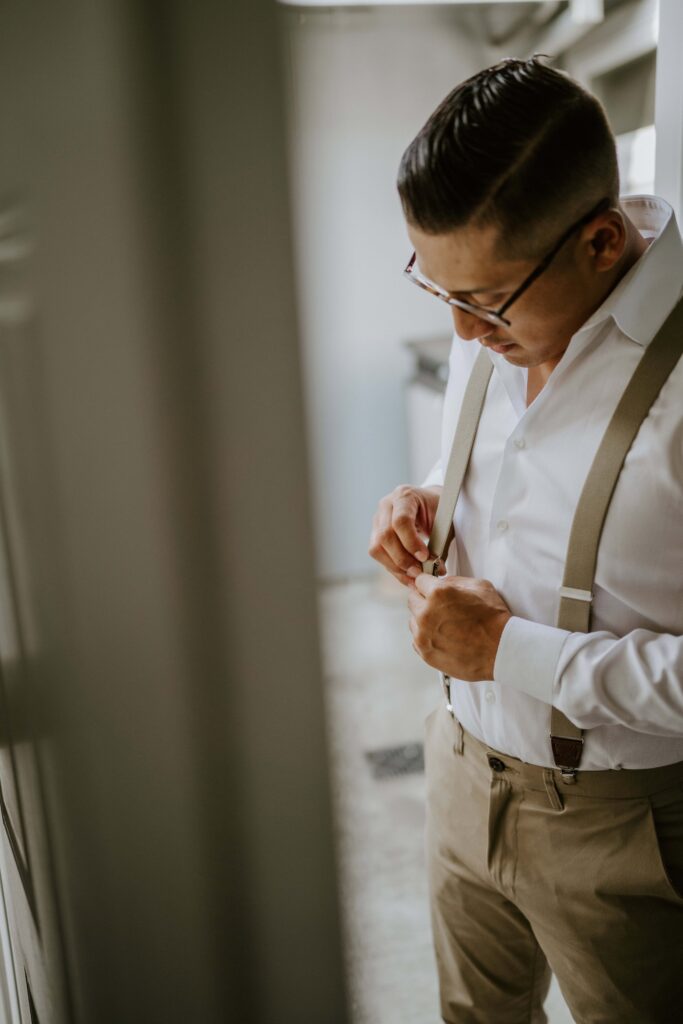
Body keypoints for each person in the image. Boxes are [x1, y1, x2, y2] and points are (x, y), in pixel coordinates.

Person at [368, 56, 683, 1023]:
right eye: (439, 293)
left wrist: (510, 651)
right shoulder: (503, 323)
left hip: (620, 830)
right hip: (460, 765)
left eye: (486, 303)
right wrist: (425, 499)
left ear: (599, 242)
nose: (463, 335)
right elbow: (512, 480)